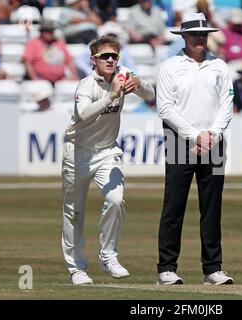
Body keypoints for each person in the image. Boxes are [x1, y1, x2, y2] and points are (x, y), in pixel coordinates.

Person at [61, 35, 155, 285]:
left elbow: (150, 94)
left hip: (106, 151)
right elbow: (83, 114)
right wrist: (111, 96)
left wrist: (140, 83)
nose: (111, 60)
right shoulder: (85, 85)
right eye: (105, 56)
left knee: (115, 199)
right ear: (94, 61)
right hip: (77, 151)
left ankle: (108, 255)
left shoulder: (123, 74)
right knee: (74, 213)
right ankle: (77, 269)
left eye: (114, 56)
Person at [156, 12, 234, 285]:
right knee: (174, 206)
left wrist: (211, 134)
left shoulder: (220, 67)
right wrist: (193, 135)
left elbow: (226, 105)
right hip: (180, 141)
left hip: (214, 141)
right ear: (184, 36)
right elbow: (165, 107)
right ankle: (166, 267)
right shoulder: (170, 66)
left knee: (211, 208)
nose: (200, 38)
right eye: (194, 34)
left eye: (204, 34)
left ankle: (212, 268)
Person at [23, 19, 79, 84]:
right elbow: (27, 62)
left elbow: (69, 61)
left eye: (50, 31)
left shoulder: (59, 42)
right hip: (41, 79)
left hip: (61, 79)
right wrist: (34, 79)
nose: (48, 33)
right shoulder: (33, 43)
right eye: (46, 31)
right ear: (41, 32)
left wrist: (74, 76)